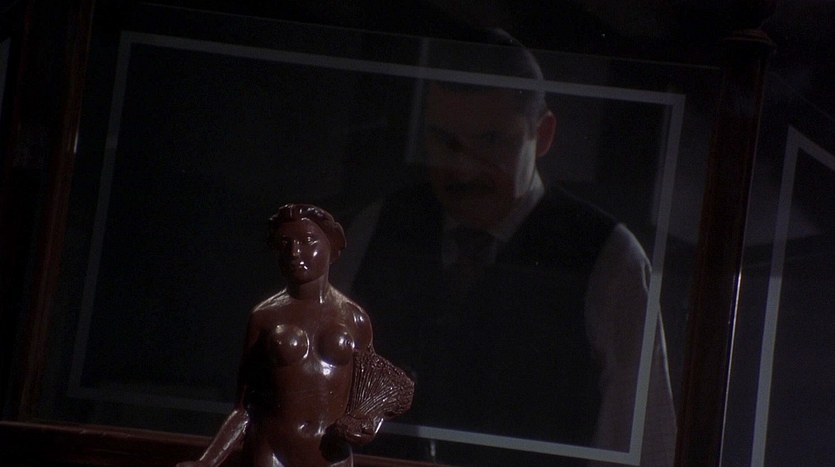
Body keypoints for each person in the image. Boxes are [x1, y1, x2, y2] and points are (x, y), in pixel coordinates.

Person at [332, 29, 676, 466]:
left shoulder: (612, 259)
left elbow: (644, 449)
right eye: (443, 139)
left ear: (543, 134)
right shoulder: (376, 226)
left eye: (491, 141)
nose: (462, 168)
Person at [178, 204, 407, 467]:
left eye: (307, 241)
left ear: (331, 245)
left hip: (331, 455)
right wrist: (207, 461)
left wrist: (368, 424)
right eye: (284, 243)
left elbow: (371, 393)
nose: (295, 252)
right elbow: (244, 409)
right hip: (271, 452)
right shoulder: (265, 317)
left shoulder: (355, 319)